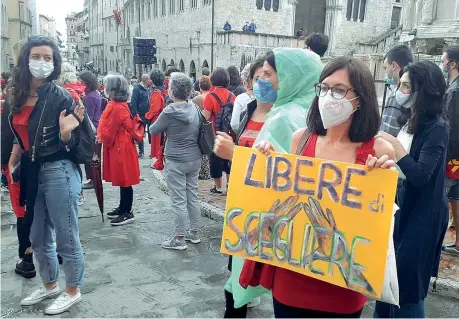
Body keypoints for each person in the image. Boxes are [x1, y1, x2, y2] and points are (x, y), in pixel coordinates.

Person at [244, 56, 395, 318]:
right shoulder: (299, 140)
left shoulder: (379, 150)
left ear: (360, 98)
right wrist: (264, 162)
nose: (328, 96)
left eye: (339, 90)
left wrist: (383, 179)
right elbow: (284, 201)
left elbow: (377, 221)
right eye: (324, 88)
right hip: (292, 277)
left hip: (343, 283)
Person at [8, 35, 85, 315]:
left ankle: (73, 289)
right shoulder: (17, 94)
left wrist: (66, 133)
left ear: (54, 64)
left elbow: (79, 144)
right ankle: (50, 284)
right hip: (31, 170)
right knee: (37, 235)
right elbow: (20, 132)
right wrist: (14, 159)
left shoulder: (61, 97)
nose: (42, 62)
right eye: (36, 56)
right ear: (26, 59)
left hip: (58, 170)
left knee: (66, 235)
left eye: (47, 58)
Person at [375, 60, 449, 318]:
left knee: (408, 287)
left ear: (423, 91)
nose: (400, 90)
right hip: (399, 208)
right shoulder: (408, 120)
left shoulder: (437, 128)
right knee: (385, 280)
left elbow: (420, 175)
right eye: (401, 84)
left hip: (422, 215)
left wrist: (395, 147)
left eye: (407, 86)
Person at [214, 57, 272, 318]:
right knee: (234, 268)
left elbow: (276, 168)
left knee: (239, 282)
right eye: (259, 77)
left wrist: (234, 153)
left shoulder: (281, 116)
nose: (263, 82)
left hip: (262, 208)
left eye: (269, 75)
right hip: (241, 197)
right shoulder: (249, 108)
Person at [149, 72, 202, 250]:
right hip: (194, 157)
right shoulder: (194, 107)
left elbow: (154, 130)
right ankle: (194, 233)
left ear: (172, 90)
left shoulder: (169, 111)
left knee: (178, 199)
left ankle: (179, 238)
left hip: (176, 159)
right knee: (192, 196)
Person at [253, 48, 323, 153]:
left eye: (267, 74)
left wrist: (231, 153)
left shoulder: (282, 117)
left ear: (289, 79)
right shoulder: (317, 113)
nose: (261, 78)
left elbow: (261, 165)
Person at [99, 74, 140, 226]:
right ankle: (123, 207)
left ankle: (127, 211)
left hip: (121, 147)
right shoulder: (118, 105)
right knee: (124, 179)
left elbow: (110, 130)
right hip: (121, 146)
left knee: (125, 179)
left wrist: (103, 139)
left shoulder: (116, 107)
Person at [202, 67, 235, 194]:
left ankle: (218, 186)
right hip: (230, 134)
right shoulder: (232, 95)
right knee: (228, 160)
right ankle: (229, 185)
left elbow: (206, 116)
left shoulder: (211, 96)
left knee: (215, 160)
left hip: (215, 132)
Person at [441, 47, 459, 255]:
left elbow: (453, 128)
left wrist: (448, 157)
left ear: (453, 64)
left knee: (444, 196)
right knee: (455, 198)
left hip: (453, 156)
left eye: (444, 61)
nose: (442, 64)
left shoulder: (454, 91)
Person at [380, 45, 414, 137]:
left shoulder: (398, 95)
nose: (386, 72)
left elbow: (387, 133)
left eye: (385, 67)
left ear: (393, 66)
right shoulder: (418, 89)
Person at [79, 70, 102, 190]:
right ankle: (92, 178)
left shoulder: (91, 96)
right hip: (95, 126)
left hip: (92, 127)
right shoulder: (94, 94)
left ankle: (93, 179)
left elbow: (89, 115)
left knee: (91, 156)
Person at [192, 75, 212, 180]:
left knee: (202, 149)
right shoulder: (211, 96)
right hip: (212, 127)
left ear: (200, 86)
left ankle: (203, 172)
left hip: (202, 127)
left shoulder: (197, 99)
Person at [146, 69, 167, 161]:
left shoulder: (156, 93)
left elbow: (154, 110)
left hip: (157, 121)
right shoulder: (165, 91)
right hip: (164, 119)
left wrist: (147, 116)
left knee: (157, 145)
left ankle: (158, 161)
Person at [131, 74, 151, 157]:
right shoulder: (137, 89)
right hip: (141, 114)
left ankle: (152, 151)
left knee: (151, 132)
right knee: (140, 133)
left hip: (149, 113)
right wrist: (135, 114)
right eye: (149, 79)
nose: (150, 81)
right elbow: (134, 102)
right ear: (146, 80)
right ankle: (141, 151)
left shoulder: (149, 89)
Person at [231, 63, 254, 132]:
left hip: (244, 138)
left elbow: (234, 124)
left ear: (245, 83)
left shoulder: (240, 99)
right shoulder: (267, 98)